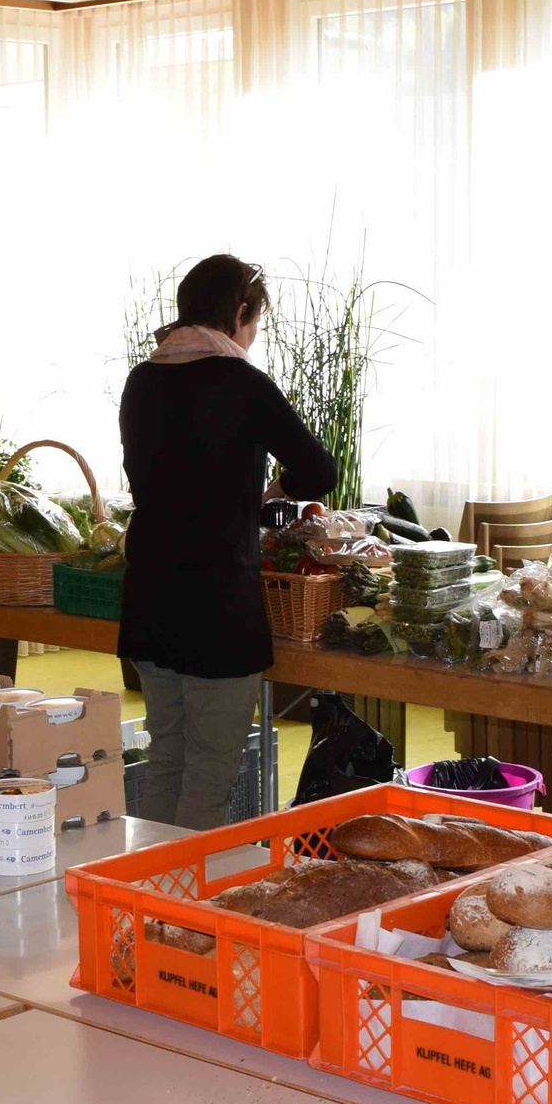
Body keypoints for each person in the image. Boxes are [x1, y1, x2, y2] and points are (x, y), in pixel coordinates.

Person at [119, 255, 339, 830]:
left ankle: (149, 882)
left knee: (166, 762)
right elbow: (319, 470)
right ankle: (183, 891)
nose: (252, 335)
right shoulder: (242, 383)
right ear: (239, 312)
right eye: (254, 322)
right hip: (216, 604)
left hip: (149, 597)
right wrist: (276, 489)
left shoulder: (142, 380)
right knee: (210, 775)